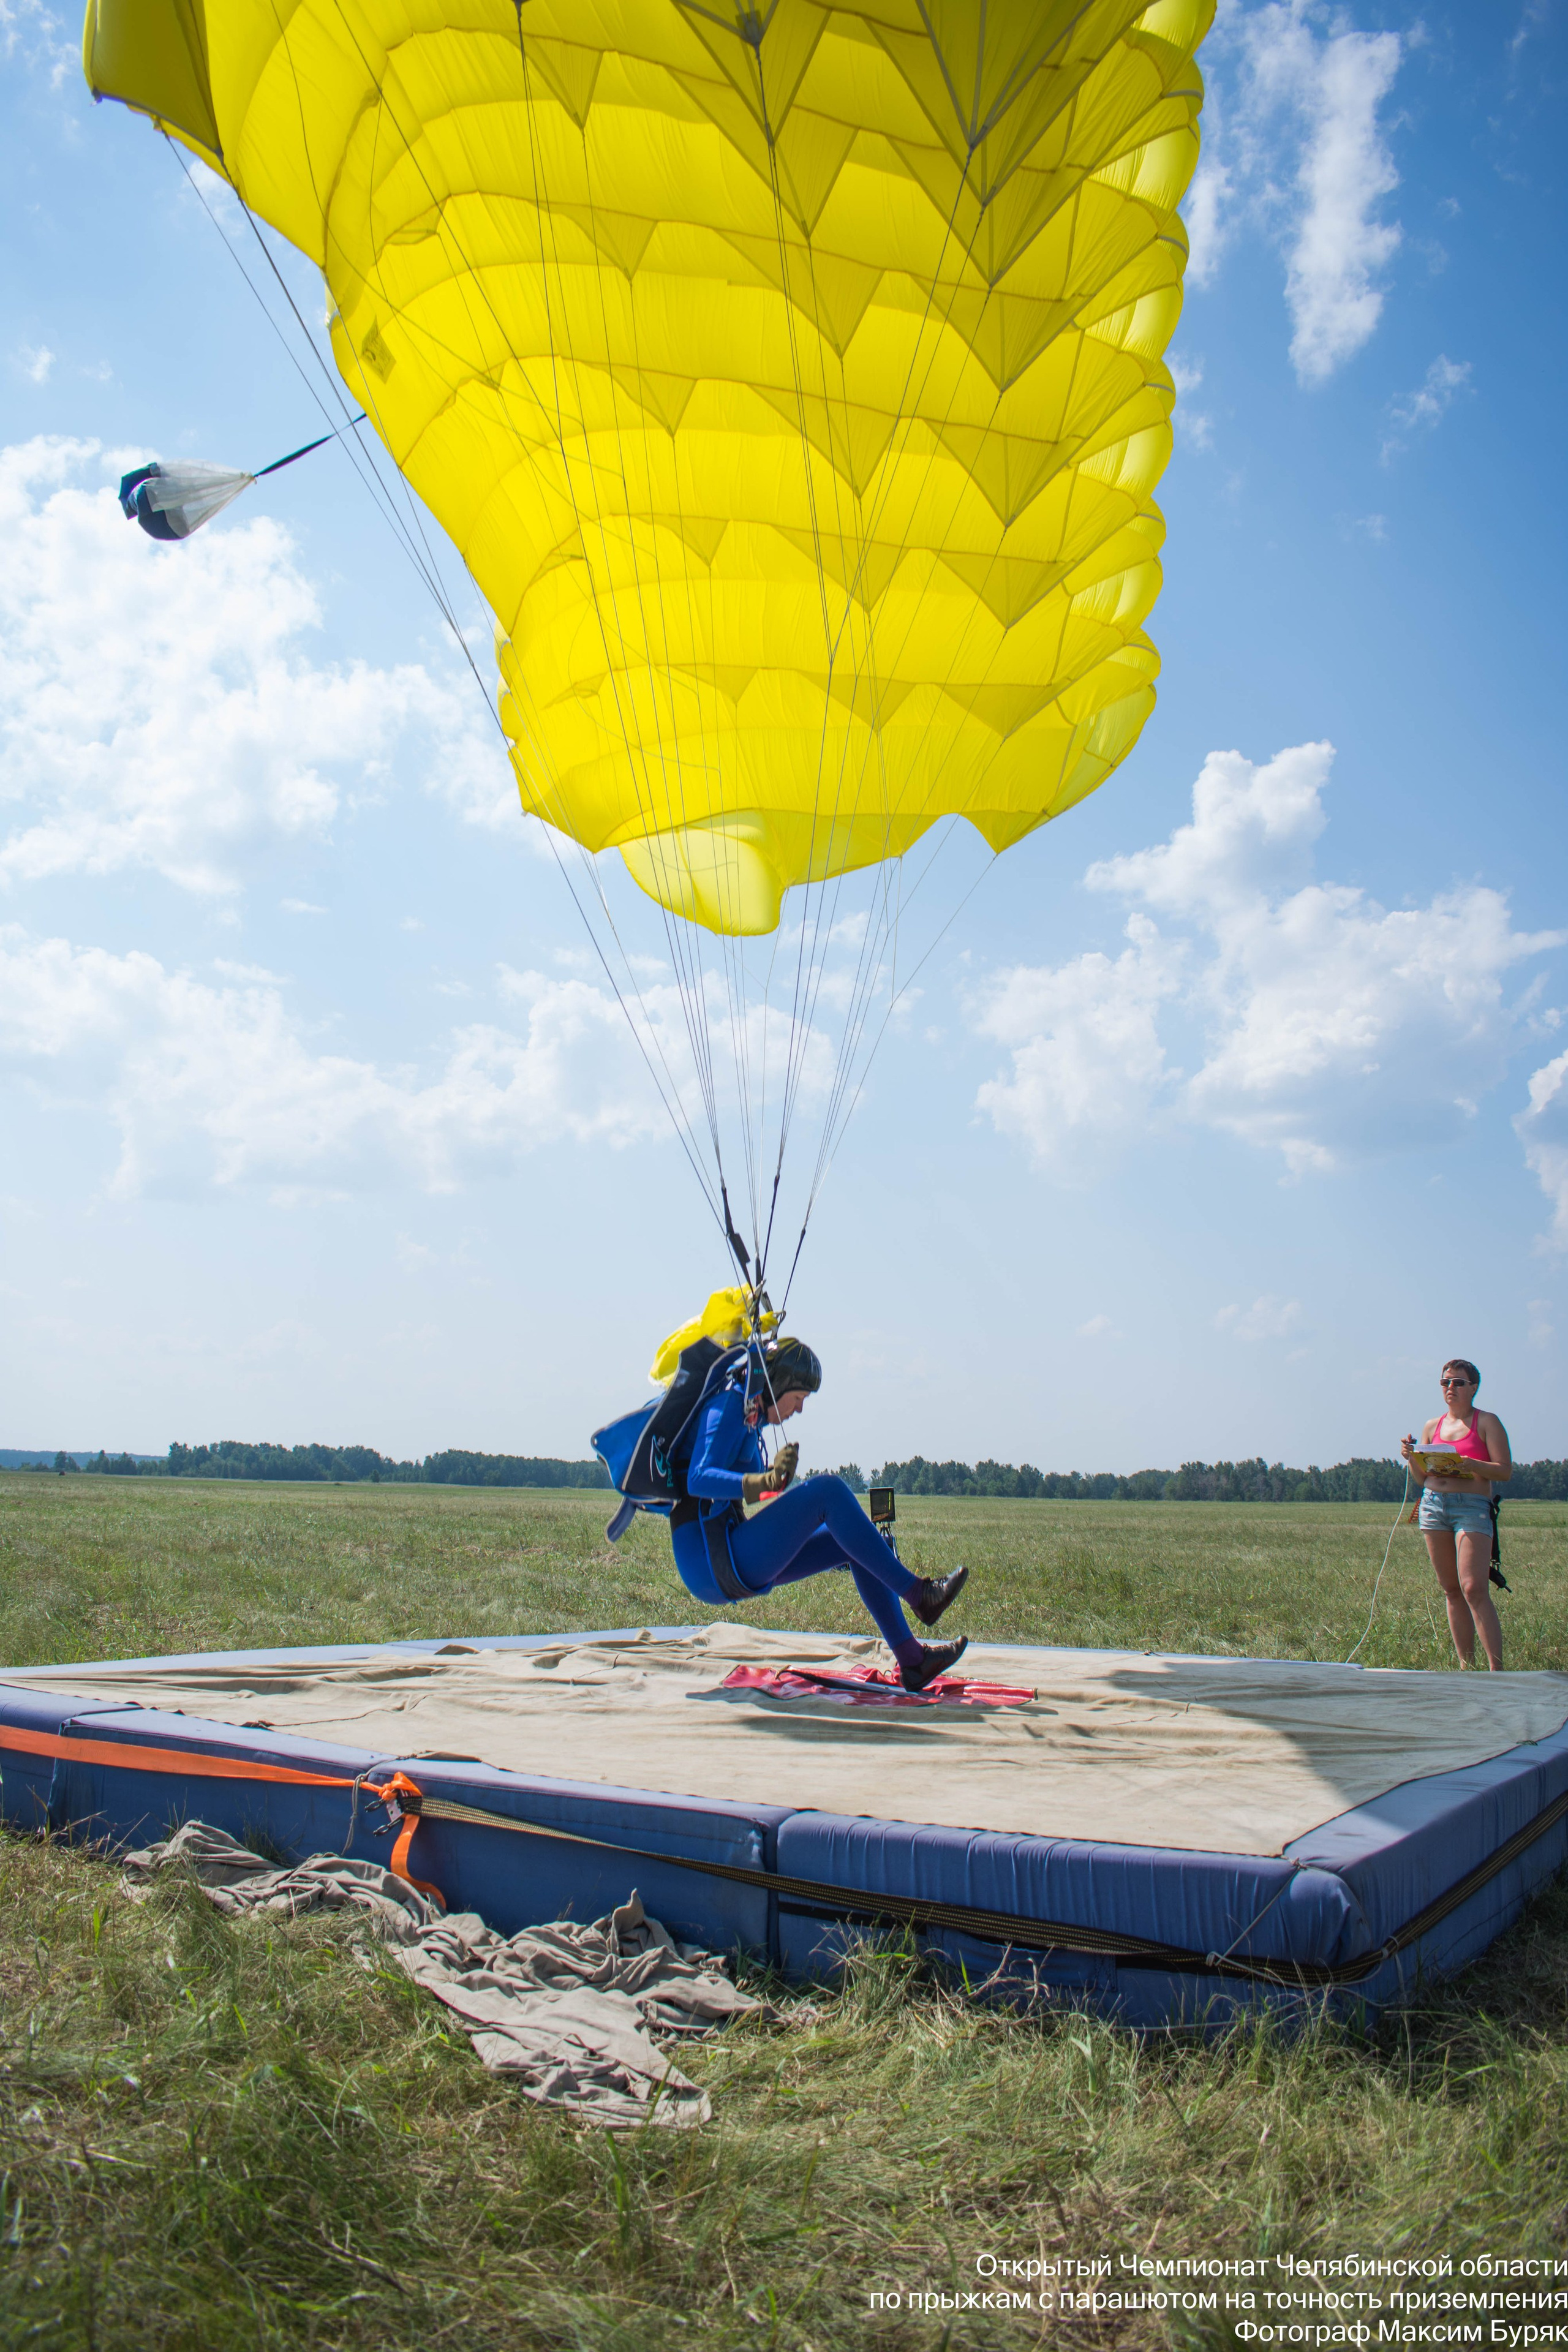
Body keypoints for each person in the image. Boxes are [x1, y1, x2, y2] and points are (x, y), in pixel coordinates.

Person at [669, 1335, 971, 1692]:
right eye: (798, 1398)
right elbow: (699, 1479)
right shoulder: (725, 1407)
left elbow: (753, 1487)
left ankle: (914, 1662)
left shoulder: (747, 1418)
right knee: (829, 1490)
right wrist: (763, 1479)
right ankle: (920, 1596)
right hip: (712, 1562)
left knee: (857, 1543)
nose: (799, 1409)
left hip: (726, 1551)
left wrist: (775, 1479)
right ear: (778, 1385)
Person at [1401, 1358, 1512, 1671]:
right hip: (1433, 1505)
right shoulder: (1431, 1426)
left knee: (1474, 1588)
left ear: (1473, 1388)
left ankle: (1496, 1671)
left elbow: (1504, 1471)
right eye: (1445, 1382)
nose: (1450, 1388)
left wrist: (1473, 1465)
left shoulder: (1487, 1422)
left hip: (1472, 1507)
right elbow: (1422, 1479)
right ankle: (1467, 1667)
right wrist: (1412, 1457)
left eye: (1458, 1383)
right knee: (1451, 1589)